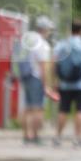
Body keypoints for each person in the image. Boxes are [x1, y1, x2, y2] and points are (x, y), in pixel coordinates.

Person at [52, 19, 81, 147]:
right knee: (80, 110)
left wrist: (55, 80)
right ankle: (77, 138)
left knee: (63, 110)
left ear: (70, 30)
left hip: (65, 83)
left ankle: (57, 137)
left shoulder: (61, 44)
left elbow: (54, 62)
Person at [17, 15, 54, 145]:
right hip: (36, 77)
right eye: (49, 29)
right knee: (38, 108)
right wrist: (46, 84)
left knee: (27, 108)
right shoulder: (42, 44)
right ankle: (35, 136)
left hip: (25, 75)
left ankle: (26, 136)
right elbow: (43, 65)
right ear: (44, 29)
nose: (50, 32)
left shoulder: (26, 39)